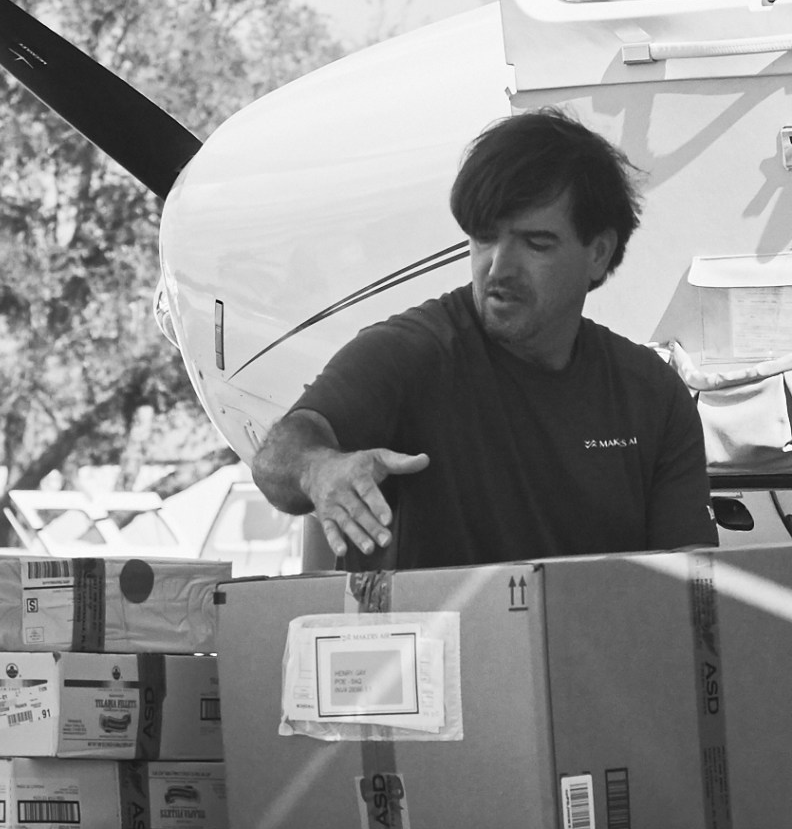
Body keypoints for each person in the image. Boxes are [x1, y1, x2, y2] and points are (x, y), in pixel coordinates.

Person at [254, 109, 714, 567]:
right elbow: (276, 460)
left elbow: (696, 594)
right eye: (484, 238)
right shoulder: (409, 353)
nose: (498, 268)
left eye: (535, 243)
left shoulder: (652, 394)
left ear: (598, 253)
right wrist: (318, 471)